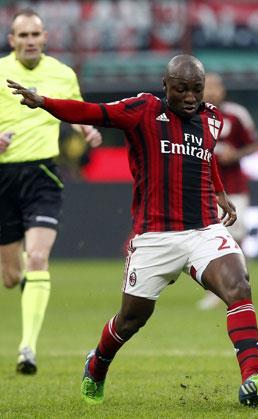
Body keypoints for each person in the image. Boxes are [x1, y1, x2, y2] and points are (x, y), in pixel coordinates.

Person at [7, 54, 258, 407]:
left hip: (203, 229)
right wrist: (45, 102)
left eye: (196, 89)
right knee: (131, 319)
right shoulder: (143, 110)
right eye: (181, 89)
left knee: (239, 286)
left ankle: (252, 378)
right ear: (165, 86)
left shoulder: (212, 117)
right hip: (155, 237)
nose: (190, 97)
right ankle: (98, 361)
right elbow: (92, 112)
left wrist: (219, 191)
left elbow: (206, 155)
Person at [0, 8, 102, 375]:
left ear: (44, 38)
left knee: (39, 257)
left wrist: (87, 129)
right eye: (23, 35)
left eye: (35, 35)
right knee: (11, 277)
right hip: (3, 178)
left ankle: (27, 348)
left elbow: (76, 112)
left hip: (43, 174)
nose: (30, 41)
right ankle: (27, 278)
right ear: (12, 40)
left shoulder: (62, 74)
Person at [197, 73, 258, 310]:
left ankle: (239, 281)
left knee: (236, 236)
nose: (212, 92)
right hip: (203, 188)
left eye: (216, 87)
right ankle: (215, 288)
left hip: (233, 188)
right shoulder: (192, 115)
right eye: (208, 87)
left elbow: (255, 144)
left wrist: (236, 154)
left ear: (223, 90)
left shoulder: (236, 114)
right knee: (208, 238)